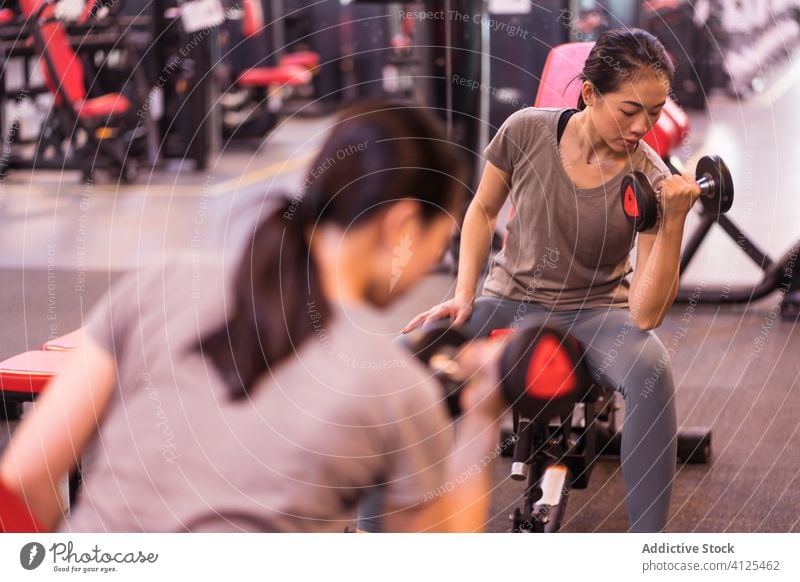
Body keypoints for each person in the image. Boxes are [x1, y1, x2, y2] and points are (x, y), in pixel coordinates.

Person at [0, 101, 506, 532]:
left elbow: (22, 482)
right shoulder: (393, 389)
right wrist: (484, 412)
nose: (425, 272)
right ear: (400, 227)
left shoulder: (157, 284)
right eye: (438, 245)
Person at [401, 29, 700, 533]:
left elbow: (646, 314)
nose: (642, 127)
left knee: (653, 370)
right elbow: (480, 212)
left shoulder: (649, 175)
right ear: (589, 93)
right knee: (405, 357)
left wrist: (673, 222)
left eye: (653, 113)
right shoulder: (524, 131)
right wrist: (463, 294)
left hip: (599, 314)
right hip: (509, 299)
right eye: (629, 111)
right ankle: (371, 535)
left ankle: (649, 547)